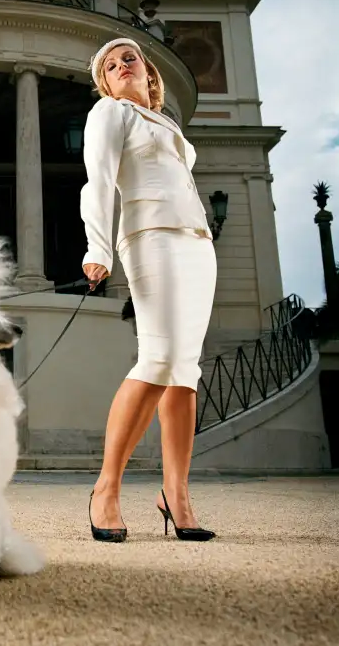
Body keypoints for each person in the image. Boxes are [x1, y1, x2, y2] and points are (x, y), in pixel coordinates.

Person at [81, 37, 217, 543]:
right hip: (149, 239)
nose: (120, 67)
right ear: (105, 83)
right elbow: (96, 180)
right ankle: (105, 489)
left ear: (147, 70)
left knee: (185, 373)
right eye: (110, 66)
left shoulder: (167, 123)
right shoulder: (110, 114)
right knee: (157, 360)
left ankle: (175, 496)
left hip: (198, 243)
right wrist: (97, 248)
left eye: (128, 58)